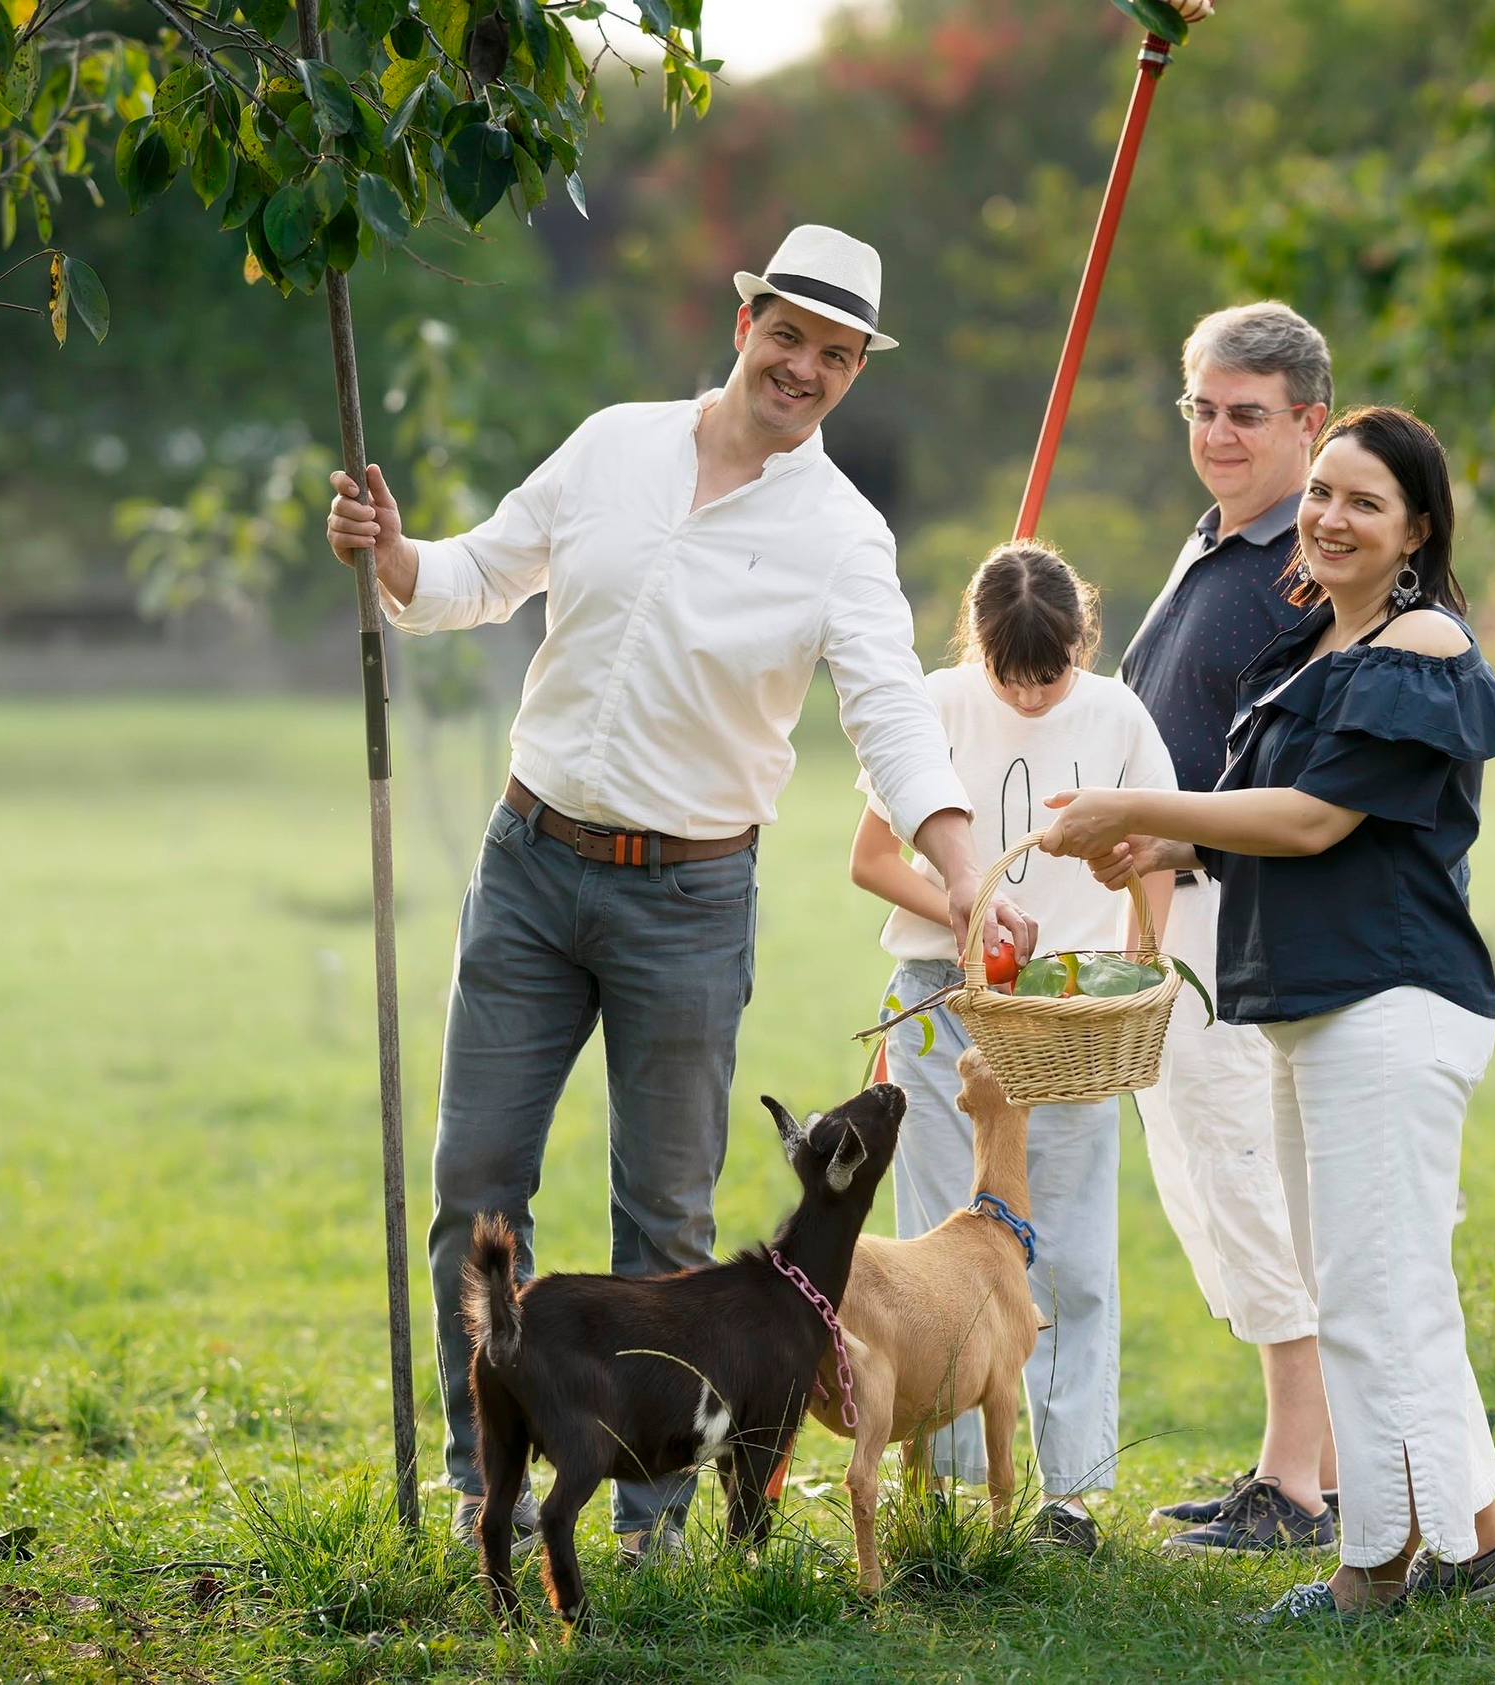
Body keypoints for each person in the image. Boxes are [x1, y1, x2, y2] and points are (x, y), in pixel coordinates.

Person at [322, 225, 1035, 1562]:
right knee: (475, 1179)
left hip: (690, 899)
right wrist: (394, 553)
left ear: (856, 370)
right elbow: (475, 578)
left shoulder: (842, 534)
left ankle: (645, 1515)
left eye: (837, 356)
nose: (806, 368)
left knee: (667, 1216)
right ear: (746, 317)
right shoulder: (612, 444)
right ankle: (492, 1481)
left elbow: (893, 723)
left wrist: (965, 878)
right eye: (791, 336)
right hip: (530, 865)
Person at [1043, 405, 1495, 1621]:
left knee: (1371, 1296)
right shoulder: (1325, 644)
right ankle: (1479, 1546)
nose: (1327, 515)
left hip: (1389, 999)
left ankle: (1372, 1565)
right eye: (1320, 492)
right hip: (1320, 1000)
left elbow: (1316, 820)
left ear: (1416, 527)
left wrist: (1135, 805)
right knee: (1383, 1286)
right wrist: (1169, 839)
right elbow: (1277, 819)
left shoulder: (1416, 643)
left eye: (1363, 500)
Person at [850, 540, 1176, 1555]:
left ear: (1081, 641)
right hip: (947, 1004)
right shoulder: (937, 706)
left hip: (1064, 1024)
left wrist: (1139, 962)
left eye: (1050, 674)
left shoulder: (1118, 713)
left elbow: (1156, 848)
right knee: (938, 1259)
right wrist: (965, 914)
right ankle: (942, 1492)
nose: (1030, 696)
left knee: (1069, 1251)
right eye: (1010, 674)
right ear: (977, 645)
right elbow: (870, 860)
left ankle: (1068, 1494)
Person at [1119, 302, 1342, 1555]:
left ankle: (1303, 1486)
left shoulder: (1307, 566)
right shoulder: (1214, 541)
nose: (1216, 433)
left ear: (1308, 421)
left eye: (1246, 414)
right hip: (1169, 915)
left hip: (1237, 915)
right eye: (1201, 408)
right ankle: (1302, 1461)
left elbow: (1298, 768)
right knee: (1213, 1189)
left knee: (1255, 1191)